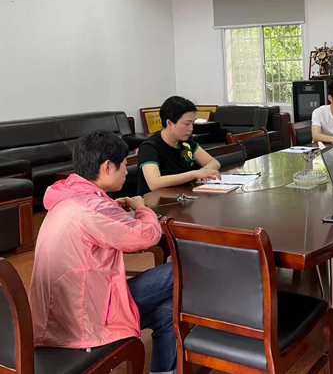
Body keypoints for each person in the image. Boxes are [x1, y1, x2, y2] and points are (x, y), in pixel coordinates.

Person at [29, 130, 176, 374]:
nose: (127, 170)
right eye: (124, 164)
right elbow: (149, 236)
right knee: (177, 271)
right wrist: (142, 209)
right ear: (107, 167)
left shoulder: (69, 196)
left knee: (168, 311)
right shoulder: (93, 208)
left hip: (58, 315)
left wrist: (112, 207)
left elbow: (94, 223)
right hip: (86, 319)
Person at [138, 96, 221, 195]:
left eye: (192, 123)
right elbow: (154, 183)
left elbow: (214, 162)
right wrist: (195, 174)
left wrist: (204, 172)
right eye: (187, 124)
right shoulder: (150, 147)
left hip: (183, 196)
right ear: (169, 123)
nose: (191, 129)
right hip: (157, 201)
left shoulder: (185, 142)